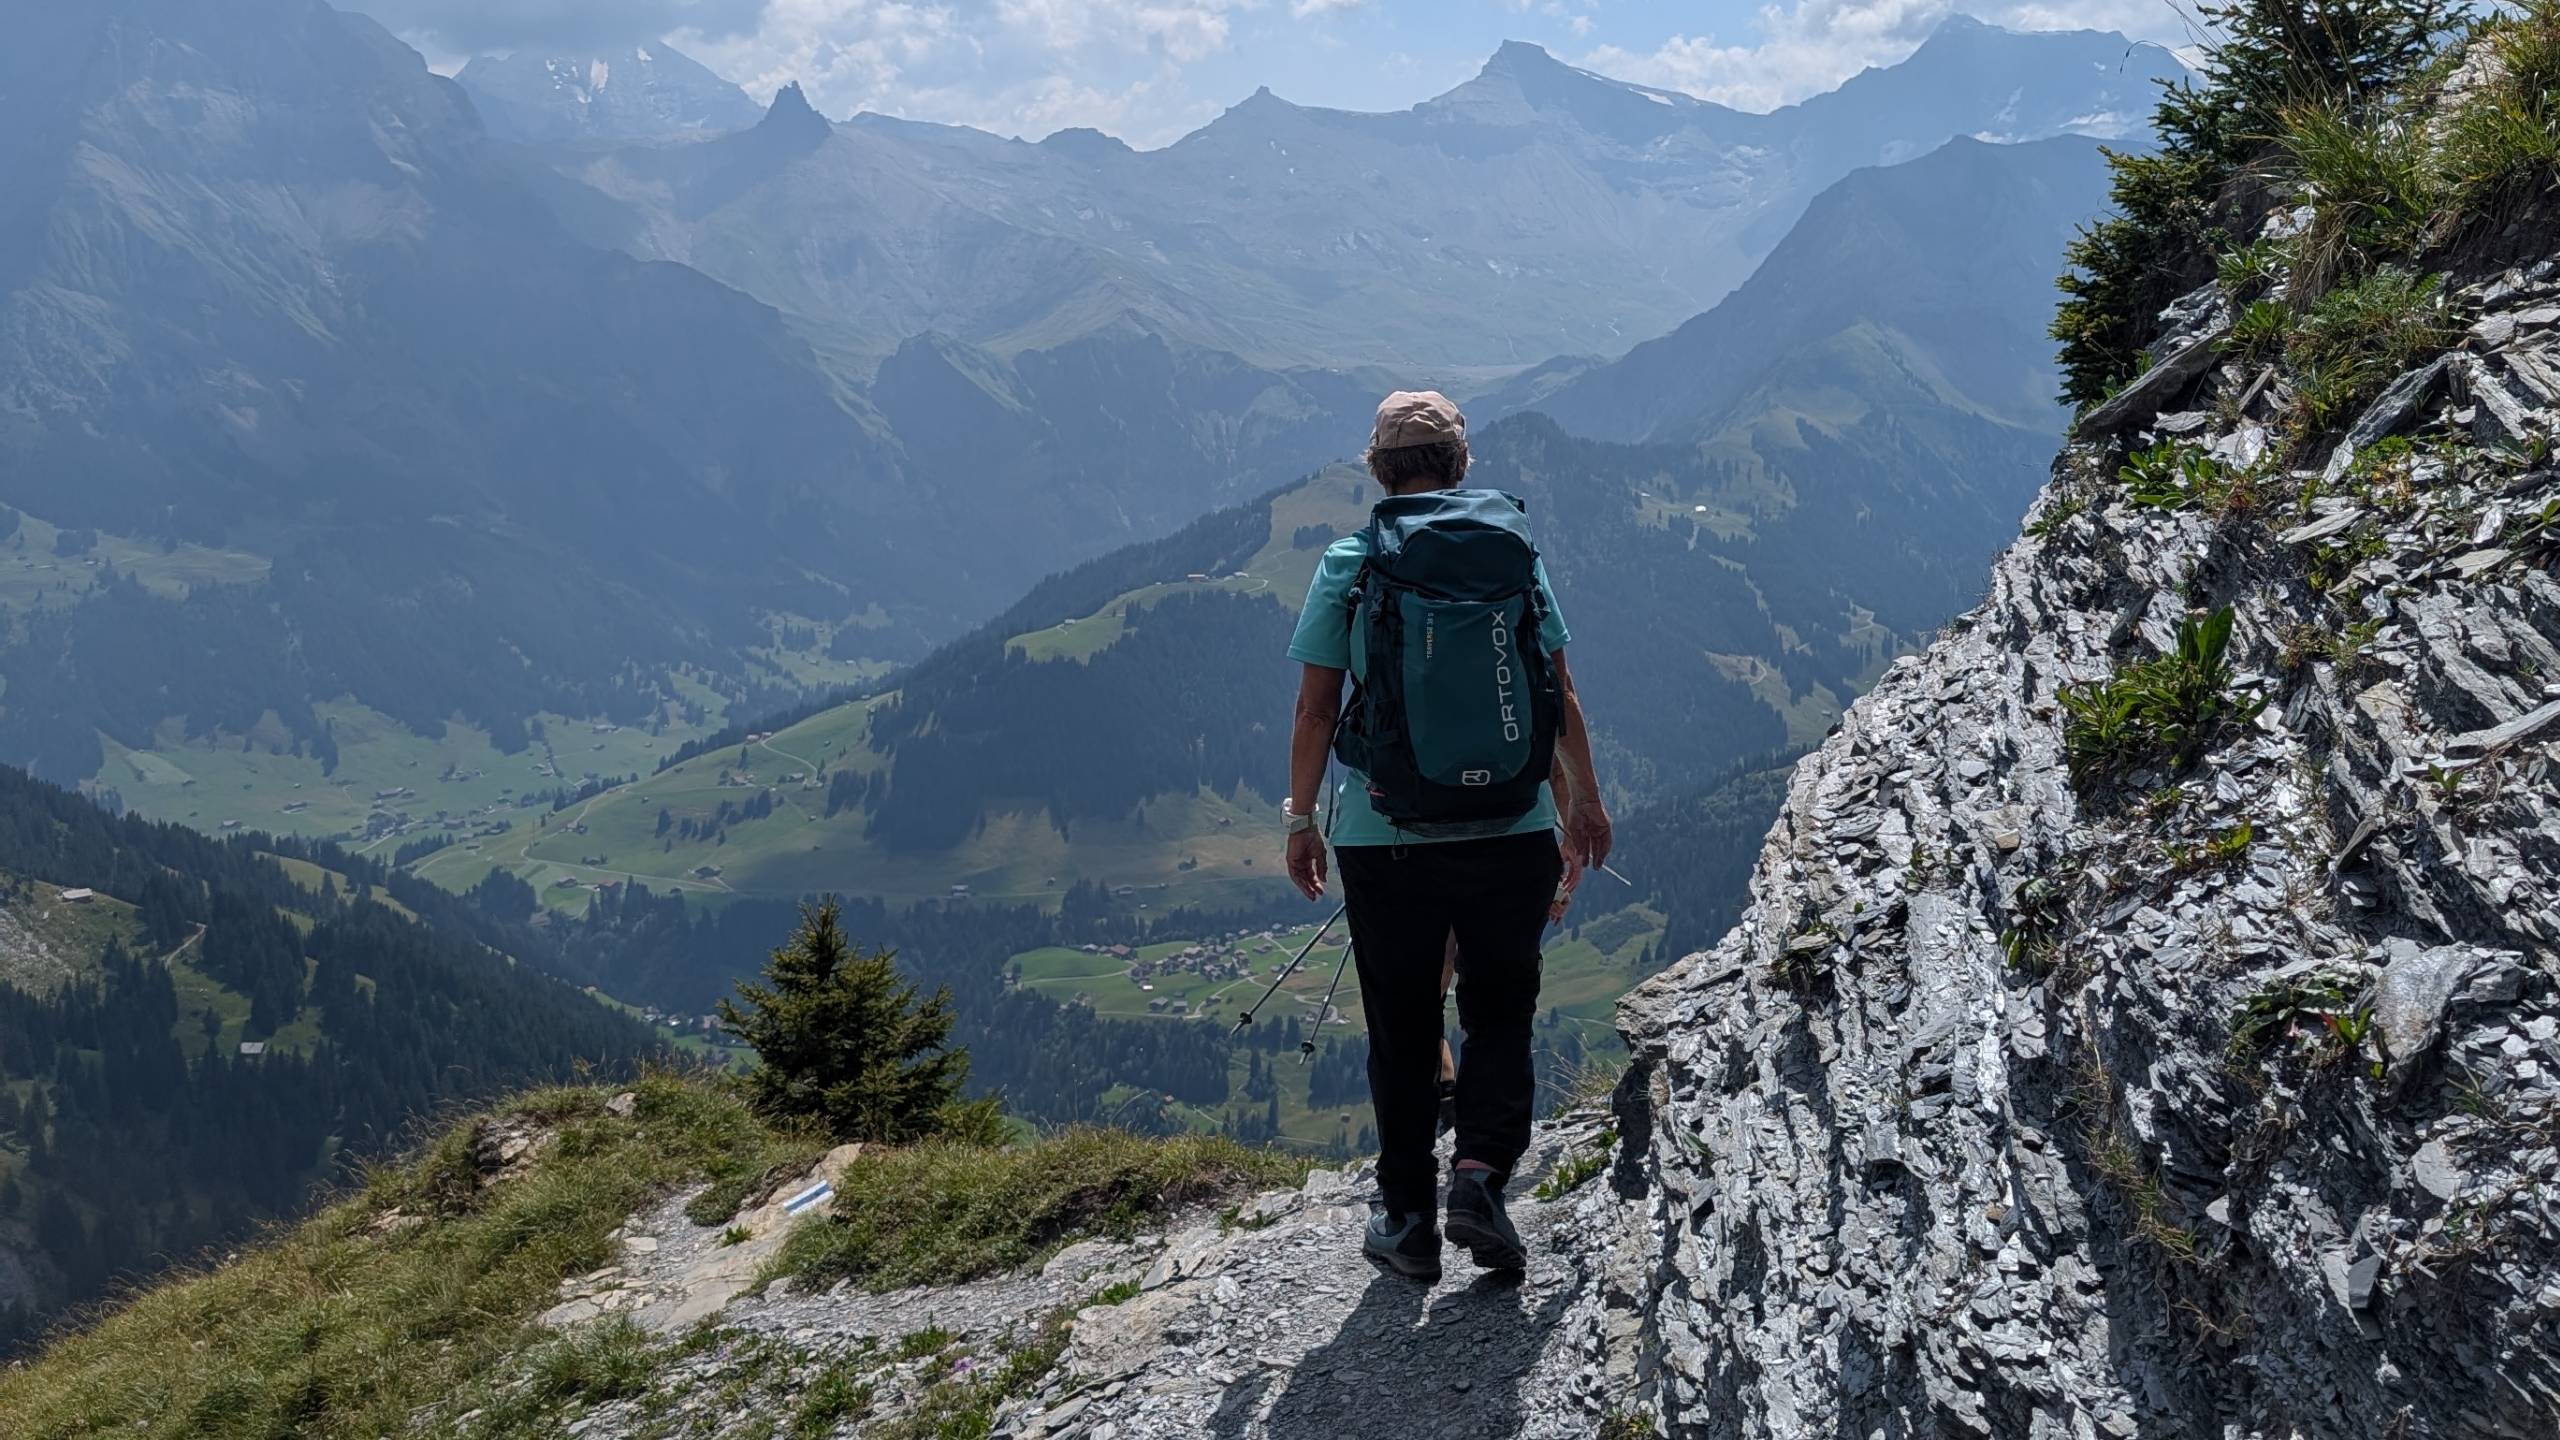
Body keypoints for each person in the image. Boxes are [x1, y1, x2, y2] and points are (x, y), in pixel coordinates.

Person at [1282, 390, 1612, 1281]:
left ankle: (1406, 1221)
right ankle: (1480, 1176)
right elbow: (1560, 689)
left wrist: (1300, 819)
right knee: (1501, 1008)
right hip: (1513, 827)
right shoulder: (1512, 553)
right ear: (1460, 464)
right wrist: (1582, 799)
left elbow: (1317, 708)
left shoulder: (1351, 561)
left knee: (1401, 1020)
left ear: (1380, 470)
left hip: (1385, 834)